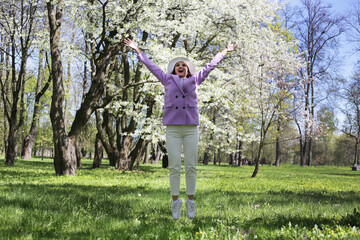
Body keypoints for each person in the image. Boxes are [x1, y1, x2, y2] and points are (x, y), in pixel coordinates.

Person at [124, 38, 237, 220]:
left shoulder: (195, 79)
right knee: (175, 167)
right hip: (173, 128)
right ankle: (176, 201)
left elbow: (210, 66)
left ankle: (190, 201)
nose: (181, 66)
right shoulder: (167, 79)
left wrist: (225, 51)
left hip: (191, 127)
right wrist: (138, 51)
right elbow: (152, 67)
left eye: (184, 65)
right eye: (178, 65)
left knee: (191, 167)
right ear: (174, 70)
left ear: (188, 69)